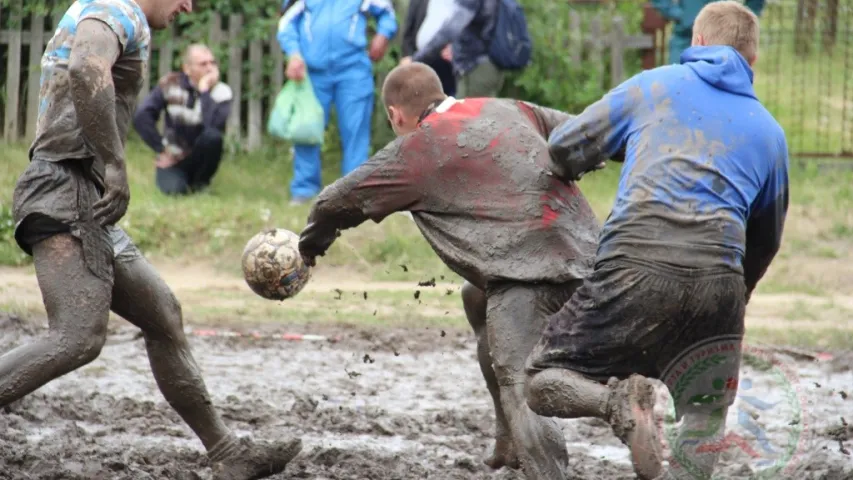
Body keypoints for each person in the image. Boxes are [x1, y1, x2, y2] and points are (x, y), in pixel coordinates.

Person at [5, 1, 301, 478]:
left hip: (82, 193)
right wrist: (116, 162)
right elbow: (85, 66)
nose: (190, 6)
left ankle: (227, 454)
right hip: (64, 187)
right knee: (78, 337)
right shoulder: (120, 9)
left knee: (162, 313)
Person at [297, 62, 603, 480]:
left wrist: (308, 251)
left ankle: (585, 438)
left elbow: (332, 203)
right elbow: (590, 132)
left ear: (395, 115)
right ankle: (508, 434)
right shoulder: (507, 108)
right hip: (596, 257)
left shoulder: (415, 149)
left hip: (532, 275)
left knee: (520, 381)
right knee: (474, 297)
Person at [522, 2, 788, 479]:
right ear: (754, 60)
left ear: (698, 43)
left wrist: (602, 156)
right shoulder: (770, 133)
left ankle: (617, 406)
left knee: (543, 380)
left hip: (634, 267)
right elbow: (766, 240)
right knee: (705, 415)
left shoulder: (654, 86)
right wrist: (734, 296)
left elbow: (564, 146)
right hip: (719, 280)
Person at [276, 0, 398, 205]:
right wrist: (294, 53)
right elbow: (285, 23)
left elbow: (387, 13)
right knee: (306, 130)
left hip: (353, 71)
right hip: (312, 73)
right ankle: (304, 190)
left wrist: (382, 35)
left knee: (356, 130)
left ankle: (354, 193)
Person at [133, 43, 232, 195]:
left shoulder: (222, 92)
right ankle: (182, 181)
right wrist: (161, 148)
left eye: (212, 63)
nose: (210, 68)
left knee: (213, 137)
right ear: (187, 68)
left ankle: (201, 184)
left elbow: (212, 126)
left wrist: (204, 91)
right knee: (176, 192)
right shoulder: (171, 84)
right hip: (174, 157)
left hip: (200, 156)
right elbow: (142, 116)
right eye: (203, 64)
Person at [401, 0, 505, 98]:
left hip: (475, 66)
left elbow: (453, 29)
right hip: (480, 64)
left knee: (467, 114)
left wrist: (417, 59)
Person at [652, 0, 765, 64]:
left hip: (726, 38)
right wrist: (675, 12)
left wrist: (743, 18)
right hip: (685, 36)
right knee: (678, 84)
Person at [401, 0, 457, 96]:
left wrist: (457, 48)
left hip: (449, 66)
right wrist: (408, 57)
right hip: (420, 63)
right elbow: (408, 32)